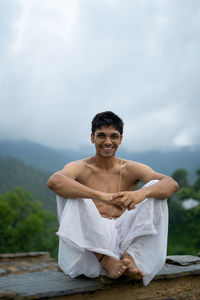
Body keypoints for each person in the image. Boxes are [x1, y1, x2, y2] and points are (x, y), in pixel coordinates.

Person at [47, 111, 179, 286]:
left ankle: (130, 258)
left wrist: (141, 194)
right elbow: (55, 181)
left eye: (113, 137)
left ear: (121, 139)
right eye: (101, 135)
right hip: (89, 247)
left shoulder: (131, 167)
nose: (108, 142)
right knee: (72, 192)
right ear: (92, 137)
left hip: (125, 238)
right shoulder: (80, 166)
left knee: (155, 188)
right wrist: (101, 196)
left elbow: (171, 184)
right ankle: (105, 259)